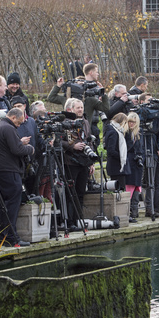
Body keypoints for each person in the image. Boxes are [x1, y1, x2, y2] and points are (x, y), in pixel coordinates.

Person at [0, 107, 34, 246]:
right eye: (19, 123)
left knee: (2, 204)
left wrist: (19, 141)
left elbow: (7, 146)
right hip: (9, 170)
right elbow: (16, 150)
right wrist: (30, 149)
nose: (19, 125)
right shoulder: (8, 128)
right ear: (13, 117)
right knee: (12, 204)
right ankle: (11, 238)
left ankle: (2, 235)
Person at [61, 98, 95, 230]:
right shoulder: (64, 123)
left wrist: (91, 162)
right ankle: (69, 221)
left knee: (81, 192)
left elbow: (89, 141)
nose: (80, 110)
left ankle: (78, 219)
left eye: (82, 107)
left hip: (84, 161)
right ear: (71, 109)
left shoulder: (85, 122)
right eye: (78, 108)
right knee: (71, 192)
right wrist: (72, 146)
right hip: (70, 161)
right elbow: (59, 141)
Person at [103, 112, 131, 195]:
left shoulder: (113, 130)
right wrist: (122, 157)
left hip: (116, 166)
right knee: (120, 190)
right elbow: (111, 150)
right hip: (116, 167)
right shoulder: (114, 132)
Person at [125, 112, 144, 222]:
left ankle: (135, 211)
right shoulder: (126, 133)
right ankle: (129, 212)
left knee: (137, 187)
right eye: (130, 122)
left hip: (137, 163)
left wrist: (141, 158)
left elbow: (142, 149)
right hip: (129, 161)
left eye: (133, 122)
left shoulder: (139, 134)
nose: (131, 124)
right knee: (129, 187)